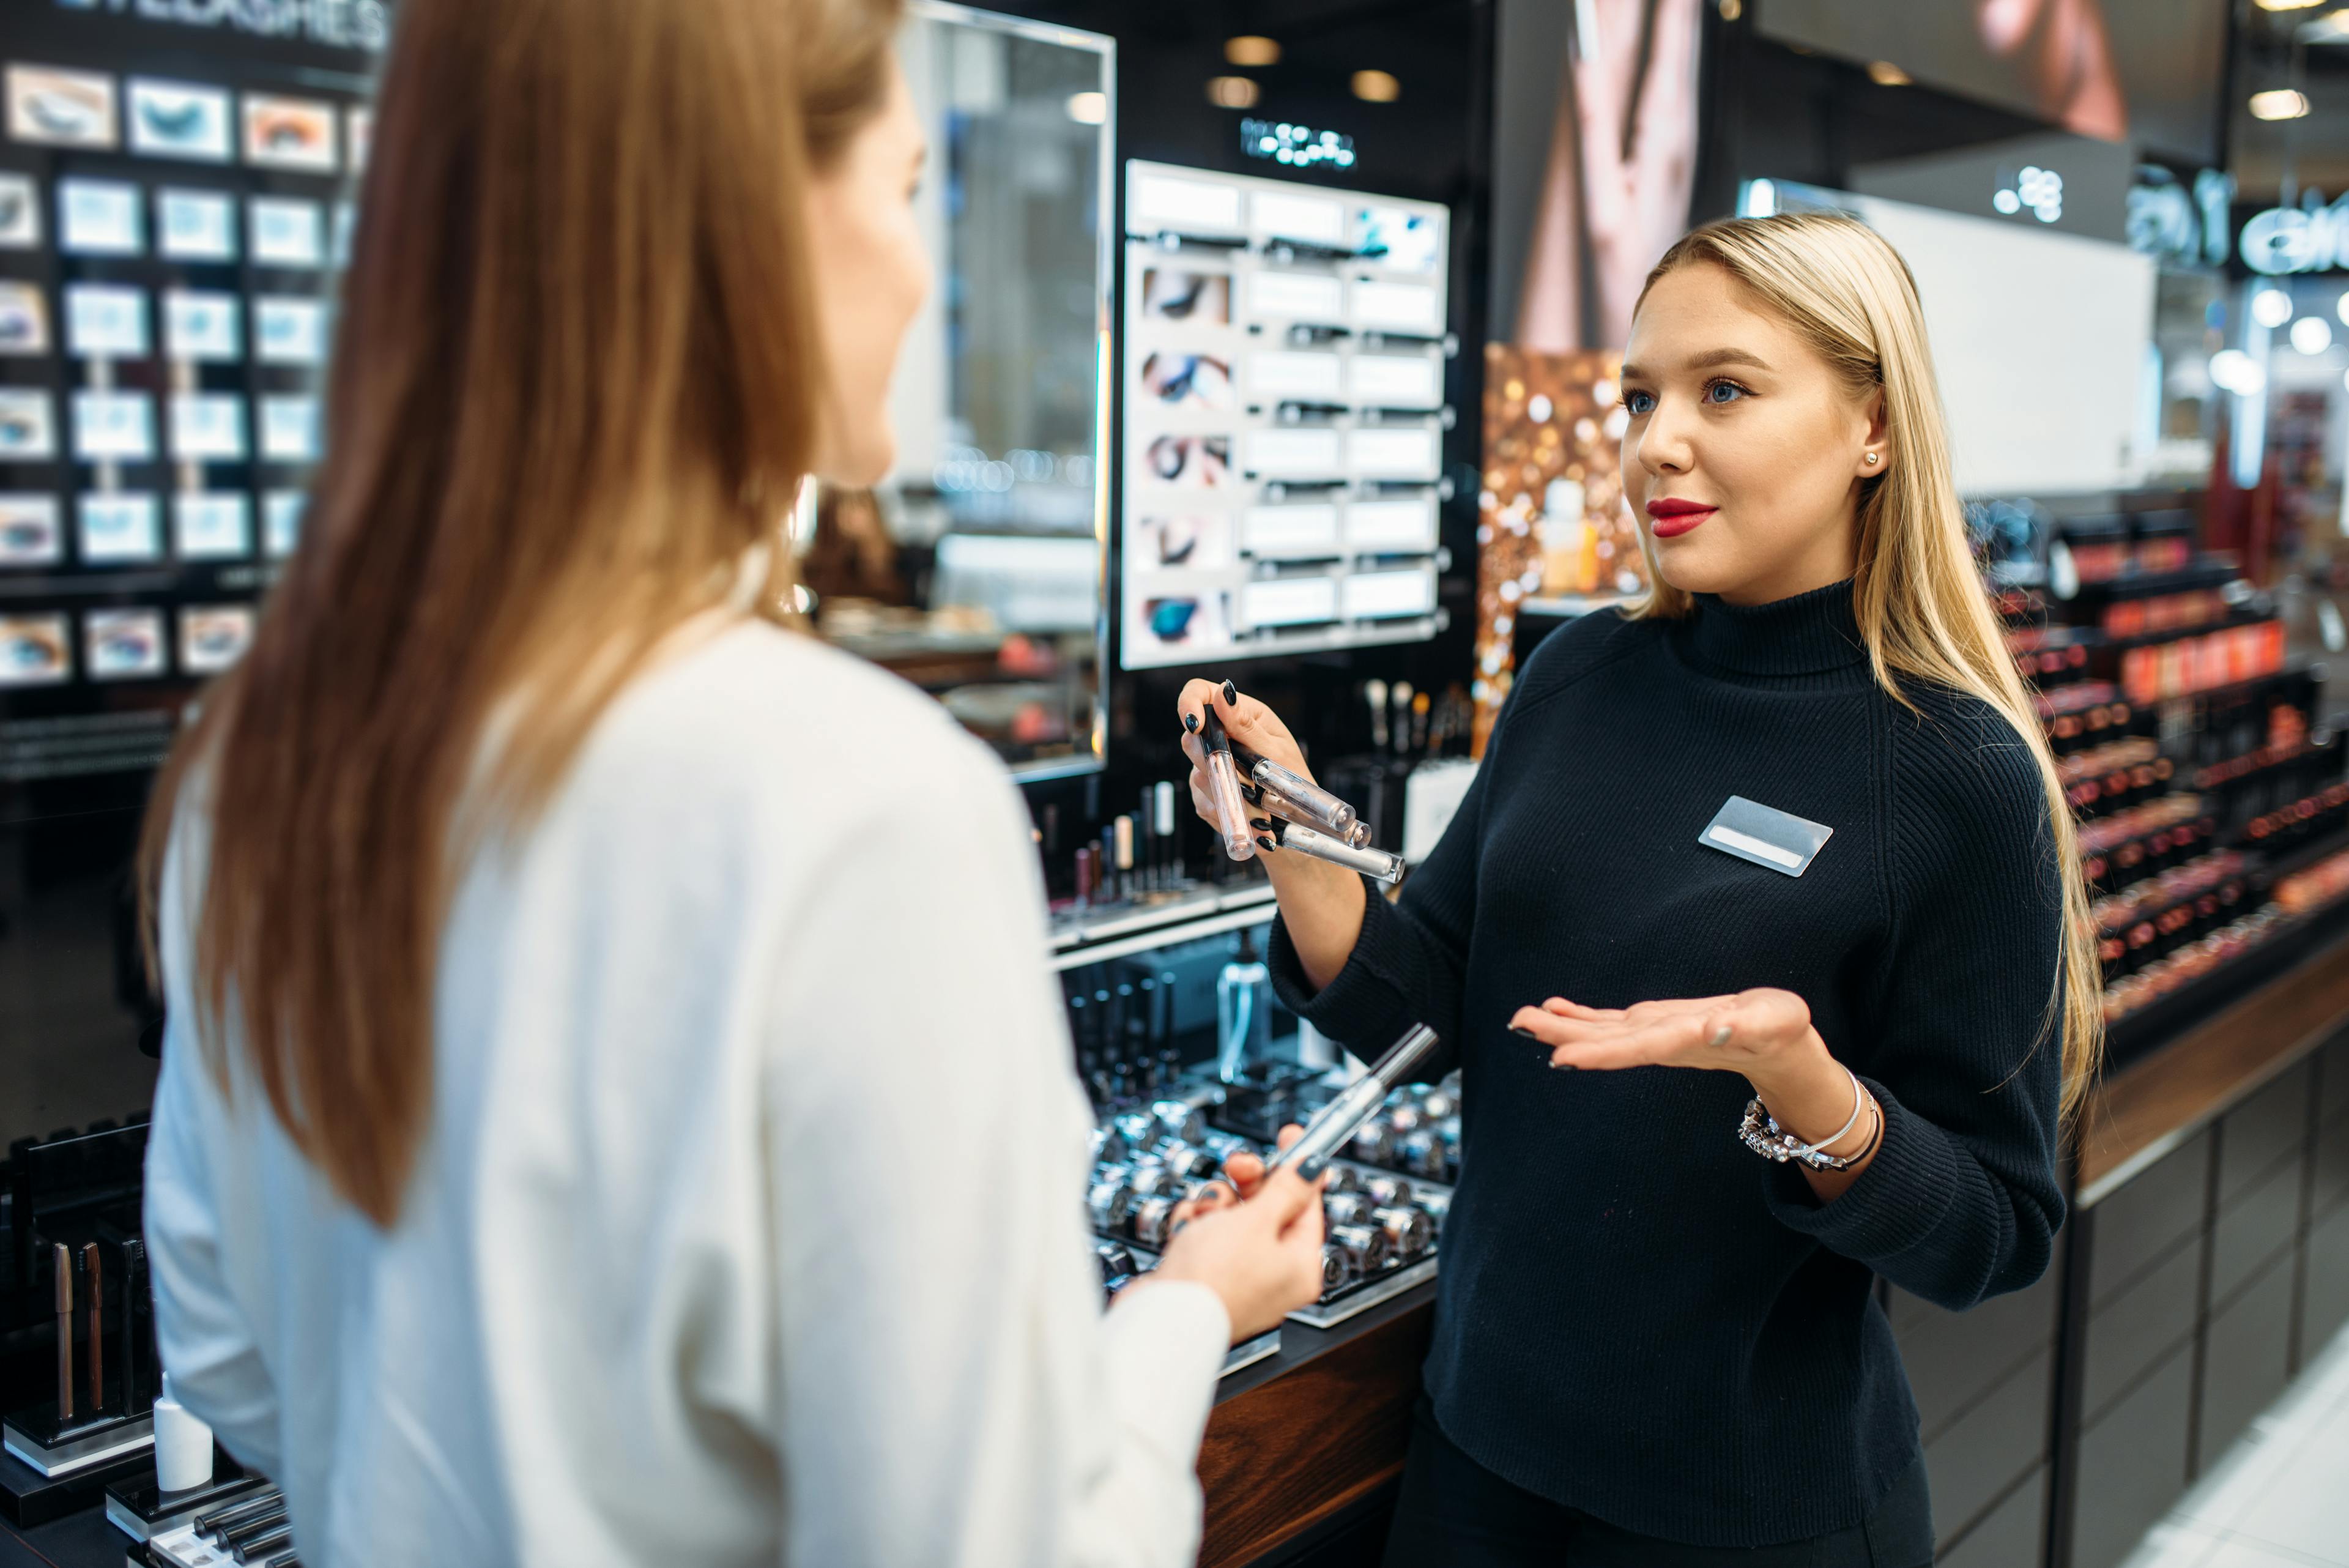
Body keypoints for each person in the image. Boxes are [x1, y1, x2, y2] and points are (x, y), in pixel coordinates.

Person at [137, 1, 1325, 1562]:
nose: (923, 271)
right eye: (906, 192)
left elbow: (232, 1358)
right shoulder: (855, 803)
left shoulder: (263, 751)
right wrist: (1186, 1310)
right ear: (753, 226)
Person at [1181, 211, 2102, 1567]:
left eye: (1724, 389)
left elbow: (1996, 1232)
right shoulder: (1578, 678)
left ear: (1875, 428)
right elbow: (1426, 998)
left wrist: (1808, 1090)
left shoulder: (1956, 774)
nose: (1653, 441)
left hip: (1741, 1515)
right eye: (1639, 395)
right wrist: (1291, 835)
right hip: (1475, 1452)